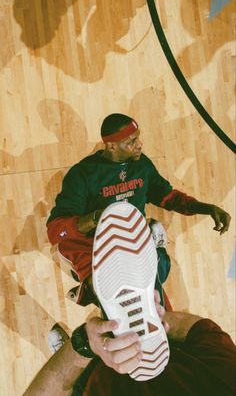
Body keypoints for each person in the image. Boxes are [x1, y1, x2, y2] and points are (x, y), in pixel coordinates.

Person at [46, 113, 231, 306]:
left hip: (134, 241)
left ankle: (92, 291)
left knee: (156, 304)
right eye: (131, 142)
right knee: (120, 298)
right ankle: (93, 289)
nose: (140, 145)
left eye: (138, 138)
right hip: (101, 246)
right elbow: (56, 229)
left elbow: (169, 198)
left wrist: (207, 208)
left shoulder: (142, 165)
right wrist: (97, 218)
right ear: (111, 146)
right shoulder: (83, 175)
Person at [23, 290, 236, 396]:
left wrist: (83, 345)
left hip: (86, 383)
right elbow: (199, 330)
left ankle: (72, 365)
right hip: (129, 343)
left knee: (70, 377)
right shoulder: (228, 378)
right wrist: (149, 323)